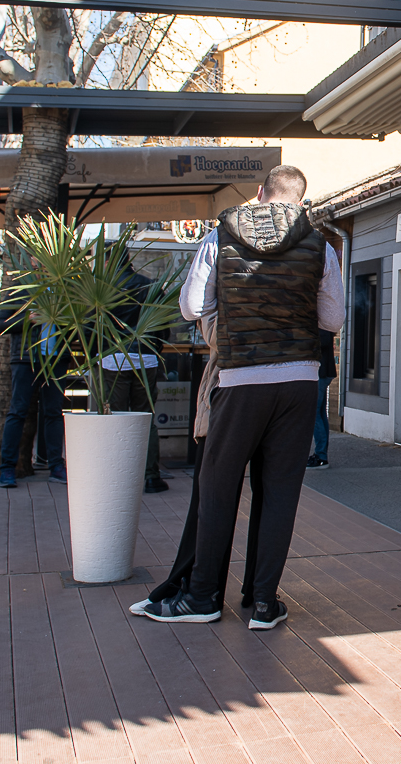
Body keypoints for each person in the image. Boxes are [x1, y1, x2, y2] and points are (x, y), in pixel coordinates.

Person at [134, 165, 342, 629]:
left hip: (239, 379)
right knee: (280, 491)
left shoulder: (218, 238)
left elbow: (190, 306)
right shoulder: (321, 246)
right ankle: (264, 602)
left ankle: (204, 597)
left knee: (219, 489)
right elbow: (332, 320)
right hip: (298, 381)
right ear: (300, 202)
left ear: (260, 194)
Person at [99, 257, 166, 494]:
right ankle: (150, 477)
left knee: (115, 418)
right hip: (145, 359)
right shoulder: (149, 286)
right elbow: (163, 325)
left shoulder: (103, 288)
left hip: (112, 359)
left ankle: (118, 475)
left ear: (108, 261)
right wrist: (154, 349)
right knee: (146, 419)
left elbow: (90, 328)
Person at [0, 281, 65, 487]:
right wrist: (28, 319)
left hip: (56, 358)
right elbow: (0, 325)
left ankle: (56, 466)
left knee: (53, 412)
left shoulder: (65, 290)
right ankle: (7, 468)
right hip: (25, 359)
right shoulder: (21, 288)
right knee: (18, 411)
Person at [306, 328, 336, 470]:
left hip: (321, 373)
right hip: (323, 373)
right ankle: (321, 455)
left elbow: (321, 342)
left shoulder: (321, 327)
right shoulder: (325, 326)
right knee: (320, 414)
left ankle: (321, 457)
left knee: (314, 414)